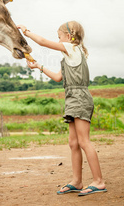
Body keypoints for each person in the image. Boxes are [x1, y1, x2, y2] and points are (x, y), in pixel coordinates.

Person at [17, 21, 107, 196]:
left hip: (79, 97)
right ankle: (77, 181)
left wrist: (27, 32)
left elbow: (42, 41)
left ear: (69, 35)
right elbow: (59, 77)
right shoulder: (69, 55)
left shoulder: (72, 48)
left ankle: (99, 181)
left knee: (83, 141)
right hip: (72, 98)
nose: (58, 41)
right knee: (73, 143)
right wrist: (38, 67)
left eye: (59, 37)